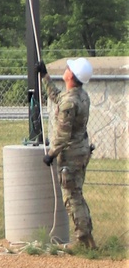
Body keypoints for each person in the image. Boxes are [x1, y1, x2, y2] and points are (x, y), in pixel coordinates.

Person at [39, 57, 96, 250]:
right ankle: (87, 238)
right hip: (80, 151)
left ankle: (82, 239)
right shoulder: (80, 95)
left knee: (72, 197)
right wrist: (45, 76)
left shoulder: (70, 102)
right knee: (77, 194)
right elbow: (57, 97)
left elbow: (62, 135)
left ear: (71, 75)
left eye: (67, 68)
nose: (65, 69)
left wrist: (51, 154)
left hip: (70, 156)